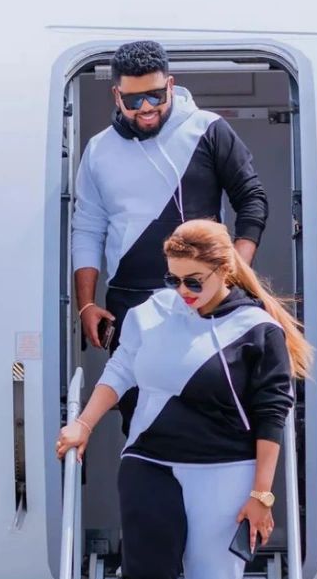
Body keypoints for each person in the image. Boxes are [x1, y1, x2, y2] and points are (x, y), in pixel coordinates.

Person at [57, 220, 312, 579]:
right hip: (149, 461)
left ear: (225, 271)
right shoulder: (150, 314)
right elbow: (119, 372)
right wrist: (82, 424)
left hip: (225, 470)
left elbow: (271, 416)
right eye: (173, 279)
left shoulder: (257, 328)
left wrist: (262, 495)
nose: (183, 291)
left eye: (194, 280)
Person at [71, 40, 269, 430]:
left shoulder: (208, 129)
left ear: (171, 85)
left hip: (202, 296)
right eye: (134, 100)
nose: (147, 108)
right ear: (117, 95)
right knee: (139, 419)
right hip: (130, 301)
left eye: (156, 96)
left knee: (210, 415)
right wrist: (86, 304)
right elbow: (87, 227)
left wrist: (232, 276)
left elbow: (252, 200)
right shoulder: (98, 151)